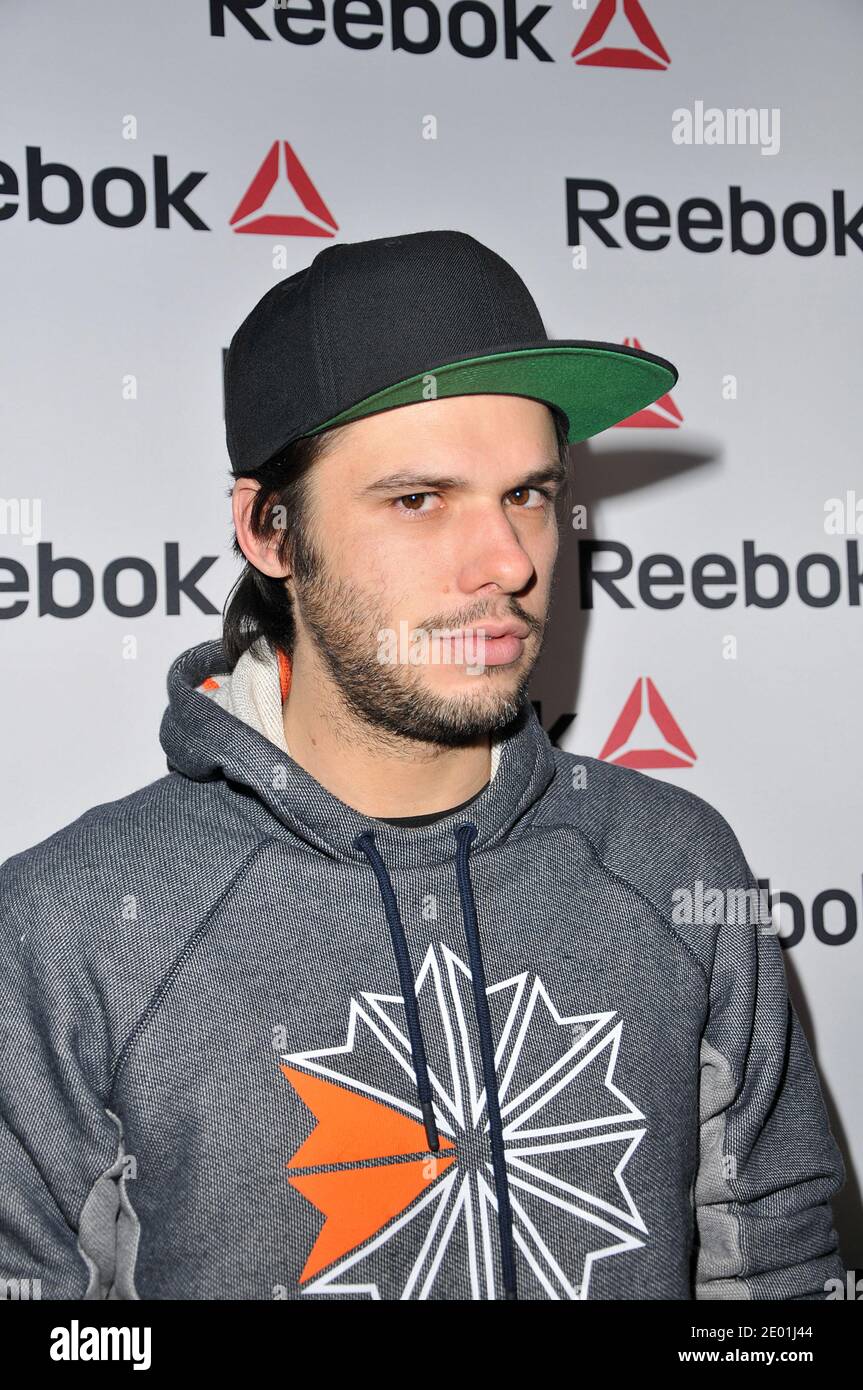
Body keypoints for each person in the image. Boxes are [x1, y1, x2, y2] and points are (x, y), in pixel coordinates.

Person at [0, 230, 846, 1301]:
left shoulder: (673, 863)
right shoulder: (67, 926)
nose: (508, 562)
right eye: (418, 499)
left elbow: (777, 1284)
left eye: (529, 495)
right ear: (269, 531)